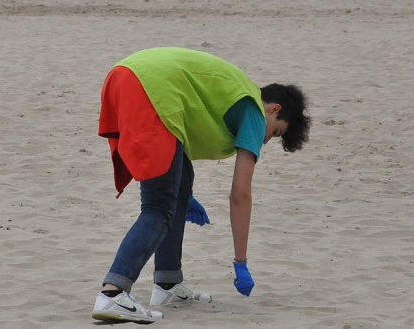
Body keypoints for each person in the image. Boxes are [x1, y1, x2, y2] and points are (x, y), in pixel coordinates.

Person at [92, 47, 311, 323]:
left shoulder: (233, 91)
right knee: (159, 208)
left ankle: (167, 284)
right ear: (273, 109)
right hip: (150, 87)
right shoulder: (254, 110)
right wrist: (240, 263)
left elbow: (180, 139)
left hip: (124, 76)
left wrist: (184, 192)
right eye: (276, 132)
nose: (266, 140)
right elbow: (240, 195)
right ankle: (113, 294)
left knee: (180, 187)